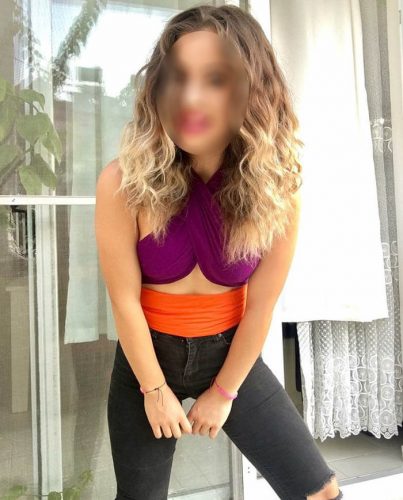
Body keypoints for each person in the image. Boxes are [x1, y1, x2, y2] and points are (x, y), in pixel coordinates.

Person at [95, 5, 343, 500]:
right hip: (146, 360)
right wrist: (154, 390)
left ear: (251, 90)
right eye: (178, 78)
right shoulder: (123, 182)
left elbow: (261, 307)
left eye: (214, 79)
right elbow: (124, 300)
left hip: (230, 354)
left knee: (319, 491)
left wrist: (225, 392)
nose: (190, 97)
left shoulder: (277, 191)